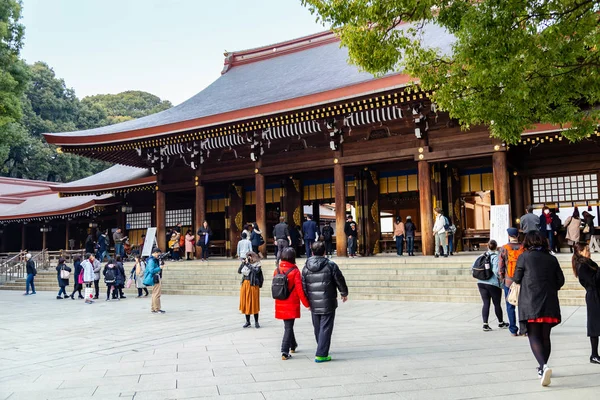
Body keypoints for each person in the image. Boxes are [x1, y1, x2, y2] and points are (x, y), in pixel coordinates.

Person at [513, 231, 565, 386]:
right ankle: (543, 367)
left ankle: (543, 366)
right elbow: (560, 280)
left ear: (527, 242)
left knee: (533, 335)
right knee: (545, 336)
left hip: (530, 301)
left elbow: (516, 278)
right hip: (549, 301)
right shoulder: (552, 258)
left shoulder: (524, 257)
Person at [302, 241, 349, 363]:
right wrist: (344, 293)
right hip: (328, 300)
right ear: (324, 252)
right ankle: (321, 353)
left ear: (312, 252)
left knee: (318, 327)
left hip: (313, 301)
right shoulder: (330, 265)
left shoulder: (306, 266)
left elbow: (304, 286)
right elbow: (339, 279)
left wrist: (307, 300)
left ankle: (321, 347)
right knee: (326, 327)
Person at [274, 247, 310, 360]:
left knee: (288, 325)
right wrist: (307, 304)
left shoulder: (277, 270)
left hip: (280, 301)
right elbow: (300, 290)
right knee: (288, 327)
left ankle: (293, 345)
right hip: (291, 303)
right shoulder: (295, 271)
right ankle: (284, 351)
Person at [572, 243, 600, 364]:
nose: (589, 252)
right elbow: (593, 281)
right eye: (587, 250)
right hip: (593, 295)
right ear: (580, 252)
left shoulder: (589, 263)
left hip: (597, 293)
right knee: (594, 325)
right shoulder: (582, 266)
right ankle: (594, 354)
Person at [474, 240, 509, 332]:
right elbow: (496, 270)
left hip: (481, 282)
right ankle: (501, 322)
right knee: (496, 303)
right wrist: (501, 280)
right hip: (493, 283)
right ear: (496, 247)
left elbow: (473, 268)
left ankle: (485, 324)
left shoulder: (481, 255)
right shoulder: (496, 256)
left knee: (486, 303)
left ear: (488, 247)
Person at [498, 227, 525, 336]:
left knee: (510, 305)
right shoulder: (523, 247)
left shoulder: (504, 248)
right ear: (518, 235)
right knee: (523, 305)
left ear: (509, 236)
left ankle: (513, 329)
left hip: (509, 281)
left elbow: (500, 265)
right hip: (522, 280)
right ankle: (524, 329)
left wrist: (502, 278)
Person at [238, 251, 263, 328]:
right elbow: (239, 271)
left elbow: (255, 271)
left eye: (250, 256)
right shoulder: (246, 263)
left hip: (253, 285)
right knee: (246, 302)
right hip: (245, 284)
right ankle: (247, 321)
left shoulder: (258, 264)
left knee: (254, 303)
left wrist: (248, 264)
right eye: (248, 256)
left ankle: (256, 322)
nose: (249, 258)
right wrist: (243, 263)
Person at [143, 247, 165, 313]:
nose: (159, 255)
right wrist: (159, 268)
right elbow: (151, 270)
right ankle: (157, 308)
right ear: (155, 253)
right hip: (154, 277)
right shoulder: (151, 260)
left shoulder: (153, 259)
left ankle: (154, 308)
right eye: (158, 254)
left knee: (154, 293)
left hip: (155, 277)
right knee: (157, 294)